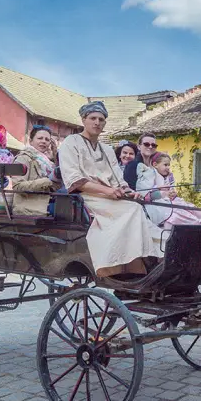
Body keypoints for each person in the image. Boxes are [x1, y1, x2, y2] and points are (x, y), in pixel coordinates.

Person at [57, 101, 163, 277]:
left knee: (137, 209)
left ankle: (150, 258)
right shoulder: (71, 142)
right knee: (132, 209)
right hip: (87, 196)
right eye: (93, 118)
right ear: (84, 120)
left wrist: (128, 191)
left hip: (111, 197)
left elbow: (119, 180)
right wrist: (107, 191)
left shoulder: (106, 149)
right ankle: (123, 267)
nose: (97, 122)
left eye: (101, 119)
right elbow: (74, 180)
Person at [13, 125, 61, 216]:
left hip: (45, 203)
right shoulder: (24, 158)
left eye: (47, 140)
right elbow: (17, 186)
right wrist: (48, 181)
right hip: (28, 206)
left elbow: (54, 186)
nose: (44, 141)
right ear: (31, 141)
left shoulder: (48, 163)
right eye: (40, 138)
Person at [146, 152, 201, 226]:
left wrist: (173, 193)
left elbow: (172, 188)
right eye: (165, 165)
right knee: (186, 219)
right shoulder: (151, 176)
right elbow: (148, 192)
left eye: (169, 165)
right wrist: (160, 190)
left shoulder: (169, 176)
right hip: (161, 204)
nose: (168, 167)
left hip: (173, 200)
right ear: (155, 165)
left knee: (197, 213)